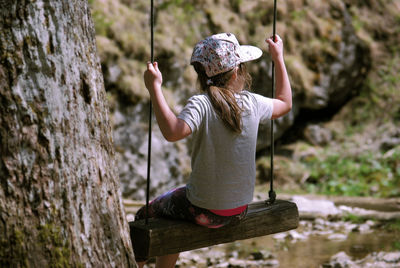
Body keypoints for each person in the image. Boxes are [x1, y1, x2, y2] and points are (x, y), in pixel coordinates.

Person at [136, 32, 292, 268]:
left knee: (144, 216)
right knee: (175, 208)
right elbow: (285, 102)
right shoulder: (252, 103)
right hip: (239, 209)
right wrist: (278, 58)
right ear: (237, 71)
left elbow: (172, 132)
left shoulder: (201, 103)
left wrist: (154, 88)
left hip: (201, 208)